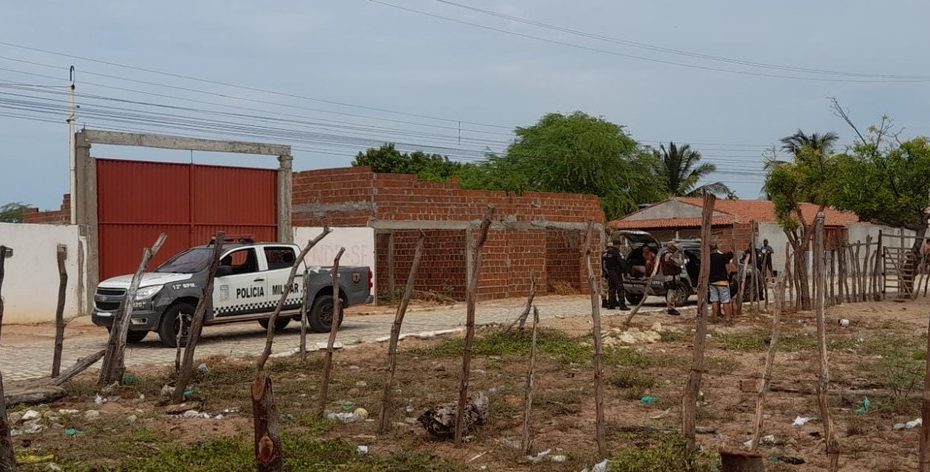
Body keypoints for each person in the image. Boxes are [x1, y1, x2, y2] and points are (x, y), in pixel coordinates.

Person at [708, 242, 734, 323]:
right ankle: (727, 318)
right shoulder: (723, 257)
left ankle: (715, 318)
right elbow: (728, 269)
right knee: (725, 301)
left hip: (712, 282)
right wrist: (728, 277)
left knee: (714, 300)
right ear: (717, 248)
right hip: (722, 282)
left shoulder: (708, 258)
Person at [602, 240, 630, 311]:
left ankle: (611, 305)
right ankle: (622, 305)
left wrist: (606, 272)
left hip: (610, 272)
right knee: (620, 288)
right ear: (618, 245)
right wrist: (625, 272)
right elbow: (622, 263)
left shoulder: (608, 253)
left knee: (611, 288)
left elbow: (605, 263)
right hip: (616, 272)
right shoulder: (617, 252)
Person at [660, 241, 685, 316]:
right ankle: (671, 308)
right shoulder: (669, 255)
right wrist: (680, 255)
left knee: (671, 291)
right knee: (672, 291)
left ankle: (671, 307)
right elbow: (679, 263)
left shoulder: (665, 254)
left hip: (670, 275)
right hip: (671, 276)